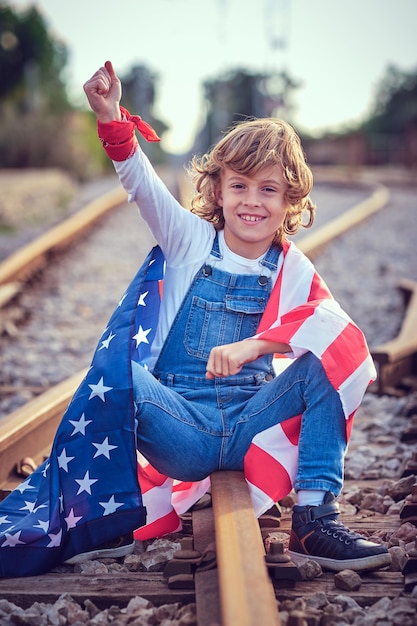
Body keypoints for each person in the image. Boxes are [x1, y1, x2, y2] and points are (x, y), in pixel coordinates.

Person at [0, 61, 390, 577]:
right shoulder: (188, 241)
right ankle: (105, 516)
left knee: (328, 357)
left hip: (254, 422)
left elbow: (336, 332)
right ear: (218, 189)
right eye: (240, 186)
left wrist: (256, 347)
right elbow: (142, 186)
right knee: (116, 373)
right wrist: (111, 116)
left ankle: (316, 516)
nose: (252, 202)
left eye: (268, 190)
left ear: (290, 199)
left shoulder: (292, 266)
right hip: (185, 430)